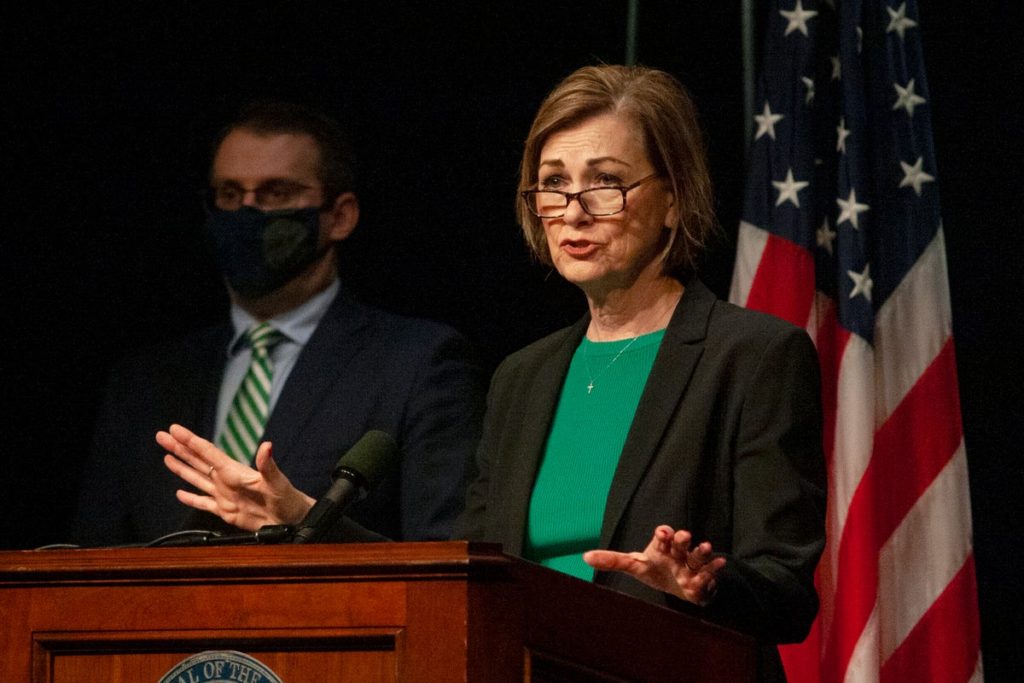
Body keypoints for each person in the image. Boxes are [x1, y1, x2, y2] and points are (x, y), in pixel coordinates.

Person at [158, 67, 824, 679]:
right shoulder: (523, 377)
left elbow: (788, 592)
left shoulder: (752, 356)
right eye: (553, 183)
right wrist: (307, 515)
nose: (574, 210)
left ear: (673, 199)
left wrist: (705, 585)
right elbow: (465, 577)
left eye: (604, 182)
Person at [71, 101, 485, 546]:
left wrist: (311, 523)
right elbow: (90, 558)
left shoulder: (418, 363)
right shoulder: (144, 382)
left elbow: (444, 556)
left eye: (276, 193)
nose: (248, 213)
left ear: (340, 216)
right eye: (230, 194)